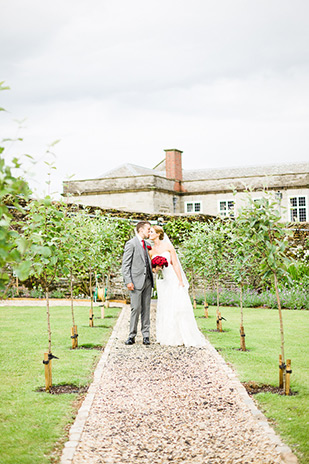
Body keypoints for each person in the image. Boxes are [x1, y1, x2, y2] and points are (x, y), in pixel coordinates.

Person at [149, 225, 206, 347]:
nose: (149, 234)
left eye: (152, 232)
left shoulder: (168, 247)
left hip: (172, 277)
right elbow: (152, 270)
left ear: (158, 234)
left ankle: (180, 335)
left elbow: (175, 264)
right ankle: (167, 335)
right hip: (161, 281)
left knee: (176, 304)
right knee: (164, 304)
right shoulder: (151, 251)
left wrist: (180, 280)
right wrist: (157, 268)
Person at [122, 221, 154, 345]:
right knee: (135, 308)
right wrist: (128, 281)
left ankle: (146, 336)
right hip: (135, 282)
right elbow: (126, 264)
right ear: (141, 230)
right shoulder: (131, 244)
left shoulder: (146, 244)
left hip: (148, 281)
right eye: (148, 229)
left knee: (146, 309)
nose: (149, 231)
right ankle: (132, 336)